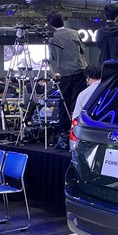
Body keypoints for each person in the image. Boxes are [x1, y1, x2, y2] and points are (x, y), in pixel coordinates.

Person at [48, 11, 87, 142]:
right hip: (79, 69)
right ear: (62, 20)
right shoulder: (74, 33)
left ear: (51, 25)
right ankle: (78, 128)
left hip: (64, 73)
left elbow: (53, 58)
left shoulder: (52, 39)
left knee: (64, 101)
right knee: (78, 100)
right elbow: (82, 49)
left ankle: (63, 130)